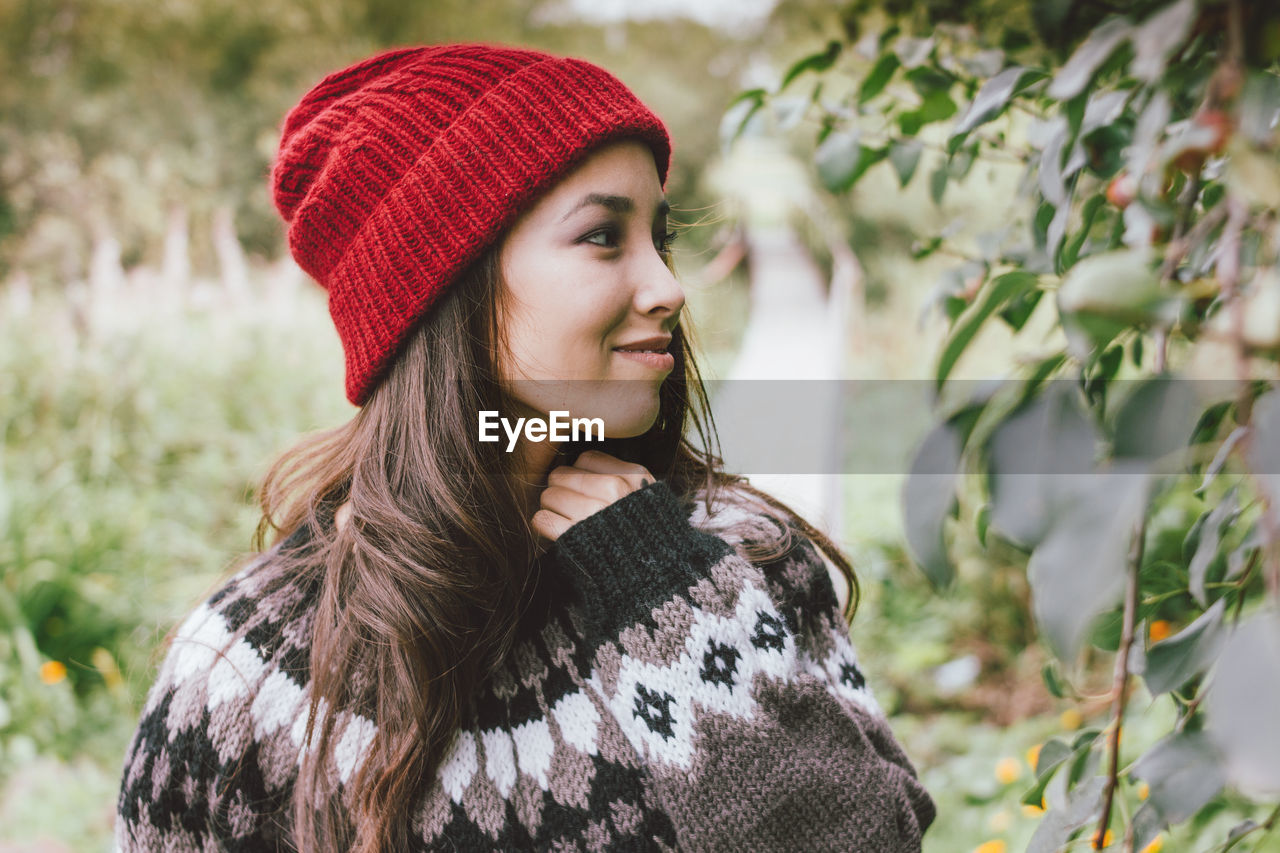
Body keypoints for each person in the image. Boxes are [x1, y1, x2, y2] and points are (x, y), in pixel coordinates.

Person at [114, 43, 936, 852]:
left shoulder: (739, 561)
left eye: (661, 236)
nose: (669, 288)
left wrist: (670, 600)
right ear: (449, 286)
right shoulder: (253, 668)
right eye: (603, 237)